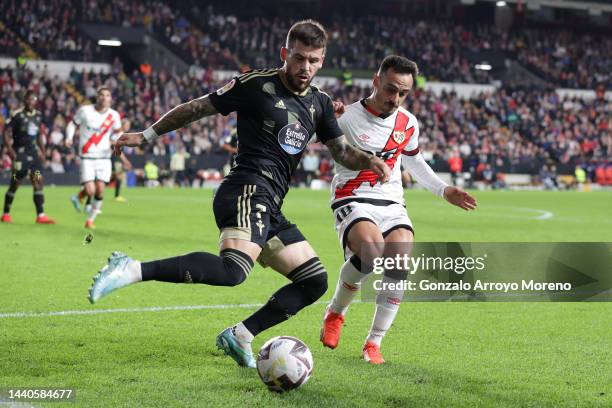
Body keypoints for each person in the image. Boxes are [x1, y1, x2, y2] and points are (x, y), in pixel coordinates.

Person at [88, 19, 390, 368]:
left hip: (271, 202)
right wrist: (146, 136)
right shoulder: (255, 84)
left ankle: (241, 335)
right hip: (247, 188)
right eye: (299, 58)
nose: (305, 67)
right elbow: (197, 107)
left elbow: (341, 152)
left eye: (313, 60)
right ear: (285, 54)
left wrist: (370, 160)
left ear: (322, 61)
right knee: (234, 271)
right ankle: (132, 269)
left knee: (314, 281)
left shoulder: (319, 103)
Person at [320, 56, 477, 364]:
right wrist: (325, 118)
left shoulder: (408, 122)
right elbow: (312, 136)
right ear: (376, 81)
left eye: (403, 93)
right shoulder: (346, 115)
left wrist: (444, 190)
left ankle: (373, 343)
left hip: (391, 200)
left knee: (400, 257)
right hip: (353, 196)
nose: (395, 98)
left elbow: (414, 161)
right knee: (371, 248)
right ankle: (336, 312)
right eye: (390, 89)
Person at [66, 86, 123, 229]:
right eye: (102, 95)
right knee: (91, 190)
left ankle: (90, 220)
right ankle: (80, 196)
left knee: (100, 190)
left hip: (104, 157)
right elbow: (72, 124)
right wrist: (69, 137)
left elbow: (118, 133)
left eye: (108, 95)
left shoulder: (114, 115)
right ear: (97, 97)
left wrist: (116, 140)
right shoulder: (85, 111)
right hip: (87, 156)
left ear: (111, 99)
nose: (104, 98)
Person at [1, 90, 55, 224]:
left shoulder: (38, 116)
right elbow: (6, 133)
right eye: (28, 99)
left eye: (33, 99)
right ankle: (6, 213)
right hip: (20, 155)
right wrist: (10, 150)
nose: (31, 101)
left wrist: (42, 151)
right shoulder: (17, 115)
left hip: (34, 156)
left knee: (38, 180)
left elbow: (38, 136)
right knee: (15, 183)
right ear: (25, 100)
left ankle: (40, 215)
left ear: (36, 101)